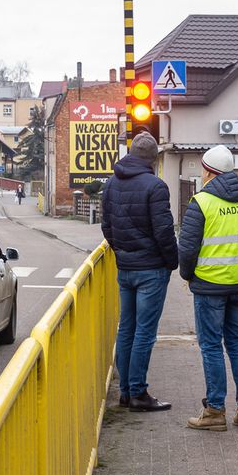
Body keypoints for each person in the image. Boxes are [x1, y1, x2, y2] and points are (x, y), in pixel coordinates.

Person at [179, 145, 238, 431]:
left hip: (209, 286)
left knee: (211, 346)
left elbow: (187, 247)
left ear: (208, 171)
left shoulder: (202, 201)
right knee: (236, 342)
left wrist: (188, 275)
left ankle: (215, 411)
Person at [101, 132, 179, 412]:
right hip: (151, 270)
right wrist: (172, 261)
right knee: (145, 333)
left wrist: (121, 251)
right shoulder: (155, 186)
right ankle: (138, 393)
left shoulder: (111, 184)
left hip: (126, 268)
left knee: (127, 329)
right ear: (154, 159)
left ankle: (125, 392)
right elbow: (164, 231)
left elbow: (106, 226)